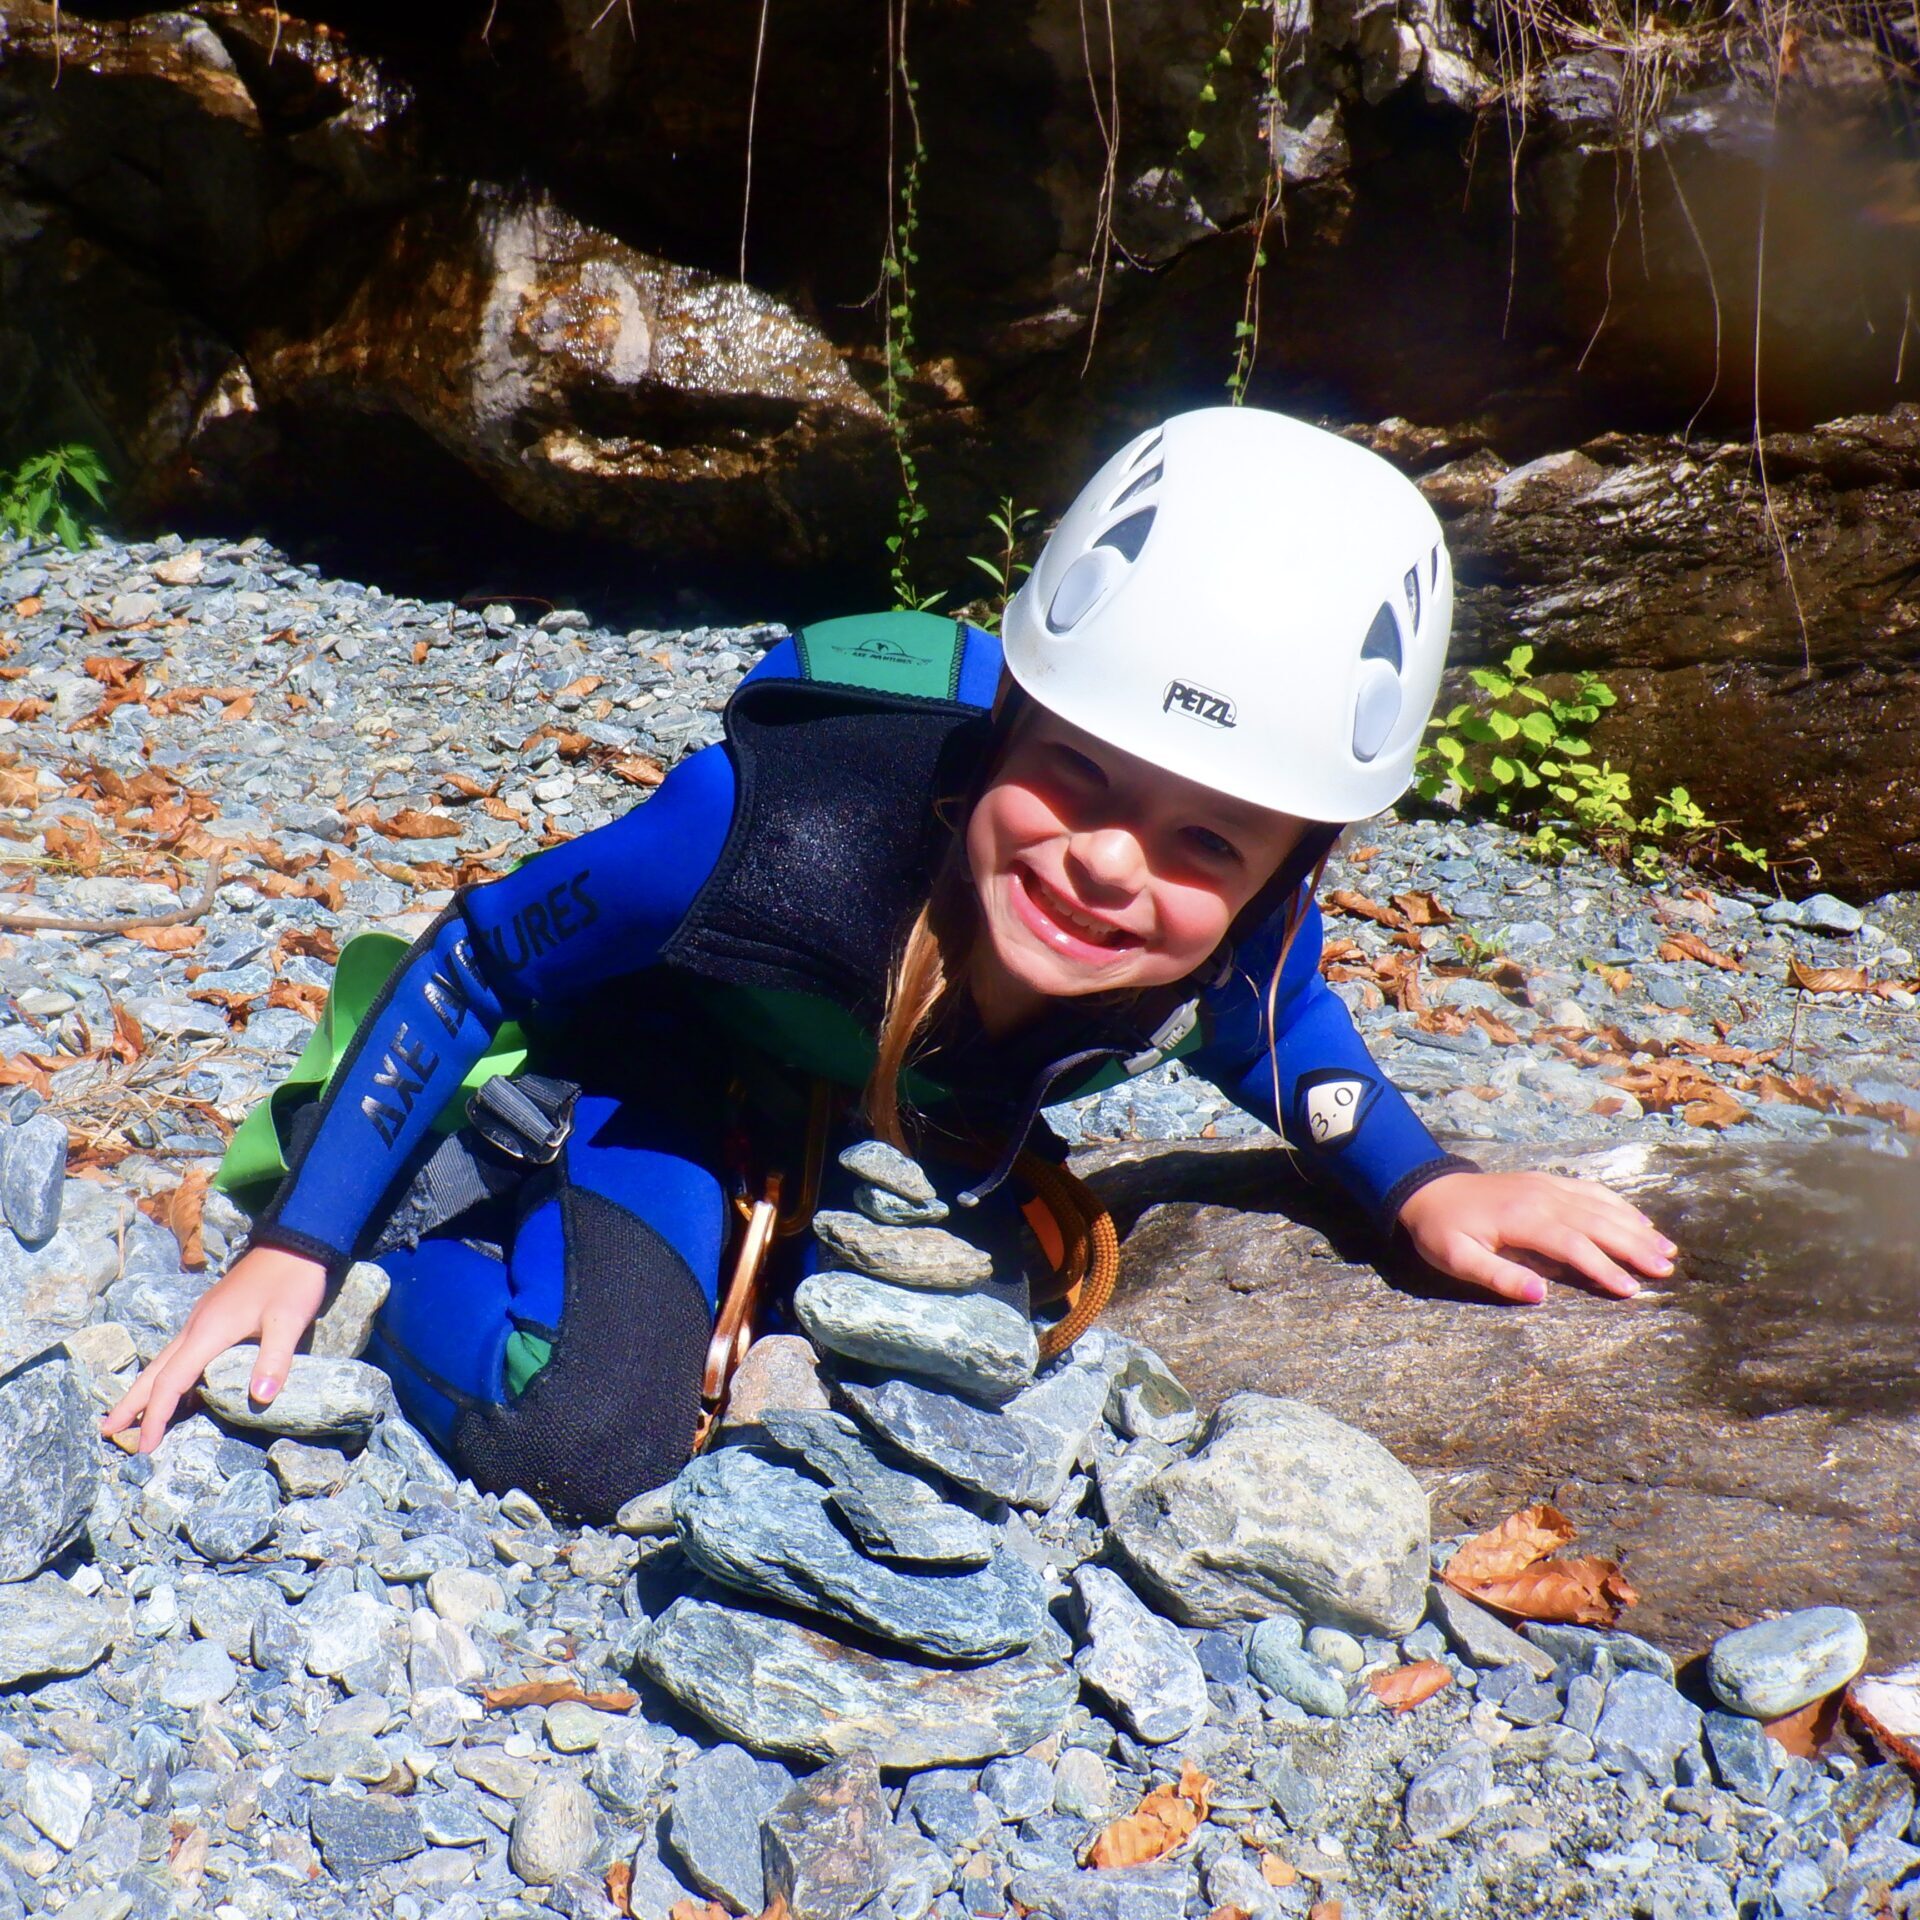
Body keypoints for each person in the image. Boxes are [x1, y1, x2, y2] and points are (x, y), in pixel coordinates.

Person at [103, 408, 1675, 1519]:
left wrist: (1423, 1184)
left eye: (1210, 844)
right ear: (998, 732)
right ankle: (451, 1236)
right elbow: (474, 962)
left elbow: (1280, 1038)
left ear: (1289, 867)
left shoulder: (1244, 935)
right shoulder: (770, 830)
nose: (1113, 864)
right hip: (675, 1082)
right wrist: (301, 1249)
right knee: (571, 1438)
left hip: (885, 1102)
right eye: (1076, 777)